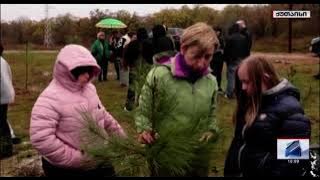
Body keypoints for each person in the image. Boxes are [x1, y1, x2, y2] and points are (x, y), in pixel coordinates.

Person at [135, 22, 220, 176]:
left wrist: (211, 130)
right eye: (196, 56)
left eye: (208, 57)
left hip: (197, 157)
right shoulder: (160, 76)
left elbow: (212, 114)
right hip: (166, 157)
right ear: (183, 49)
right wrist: (144, 129)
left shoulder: (211, 82)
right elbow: (144, 110)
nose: (202, 63)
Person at [30, 44, 126, 176]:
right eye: (81, 70)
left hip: (100, 158)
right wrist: (77, 158)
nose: (87, 75)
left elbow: (102, 114)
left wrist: (121, 137)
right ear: (66, 71)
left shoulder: (90, 89)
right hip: (68, 169)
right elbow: (41, 138)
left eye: (89, 70)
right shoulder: (49, 99)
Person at [224, 56, 311, 177]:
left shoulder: (291, 113)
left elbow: (293, 161)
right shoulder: (251, 103)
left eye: (247, 82)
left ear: (265, 79)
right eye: (241, 82)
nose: (243, 87)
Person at [123, 27, 153, 111]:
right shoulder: (150, 43)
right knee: (146, 87)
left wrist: (128, 64)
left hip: (134, 68)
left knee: (132, 88)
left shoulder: (133, 44)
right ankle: (144, 106)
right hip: (147, 69)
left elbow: (127, 56)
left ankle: (129, 107)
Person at [224, 23, 248, 99]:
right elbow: (246, 49)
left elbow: (227, 50)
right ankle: (240, 92)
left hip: (232, 60)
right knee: (240, 76)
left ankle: (229, 93)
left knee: (231, 77)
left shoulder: (230, 38)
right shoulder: (244, 38)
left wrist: (226, 59)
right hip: (242, 59)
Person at [0, 43, 15, 159]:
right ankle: (7, 148)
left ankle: (6, 149)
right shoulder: (3, 61)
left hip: (2, 95)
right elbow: (9, 76)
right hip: (5, 95)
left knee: (1, 123)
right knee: (2, 121)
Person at [210, 26, 225, 93]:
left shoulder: (221, 39)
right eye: (215, 31)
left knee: (219, 73)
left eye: (217, 31)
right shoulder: (211, 39)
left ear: (219, 32)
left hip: (219, 59)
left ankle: (218, 87)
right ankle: (212, 86)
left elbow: (223, 49)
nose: (216, 32)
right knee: (213, 72)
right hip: (213, 59)